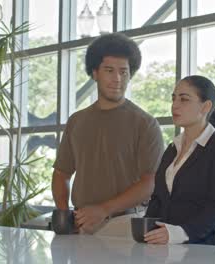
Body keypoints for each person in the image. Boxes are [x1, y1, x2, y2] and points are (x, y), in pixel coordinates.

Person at [51, 33, 164, 234]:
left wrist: (103, 209)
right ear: (94, 73)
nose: (117, 79)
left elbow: (150, 182)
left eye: (124, 72)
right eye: (109, 70)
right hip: (81, 223)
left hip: (126, 224)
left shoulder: (145, 123)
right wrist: (63, 213)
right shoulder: (77, 121)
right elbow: (61, 173)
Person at [143, 75, 215, 245]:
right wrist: (146, 230)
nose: (175, 105)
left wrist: (179, 233)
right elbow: (157, 199)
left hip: (198, 250)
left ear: (206, 106)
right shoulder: (172, 149)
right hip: (161, 250)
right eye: (174, 98)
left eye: (184, 99)